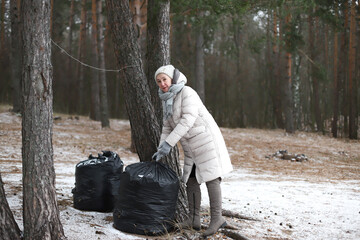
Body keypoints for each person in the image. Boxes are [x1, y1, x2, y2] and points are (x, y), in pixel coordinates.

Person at [152, 64, 233, 237]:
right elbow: (167, 126)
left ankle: (217, 219)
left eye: (164, 79)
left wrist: (169, 144)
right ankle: (193, 219)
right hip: (191, 145)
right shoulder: (167, 99)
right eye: (159, 81)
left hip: (206, 140)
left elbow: (187, 120)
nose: (162, 84)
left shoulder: (187, 92)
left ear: (172, 78)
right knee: (191, 179)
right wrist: (161, 147)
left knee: (212, 177)